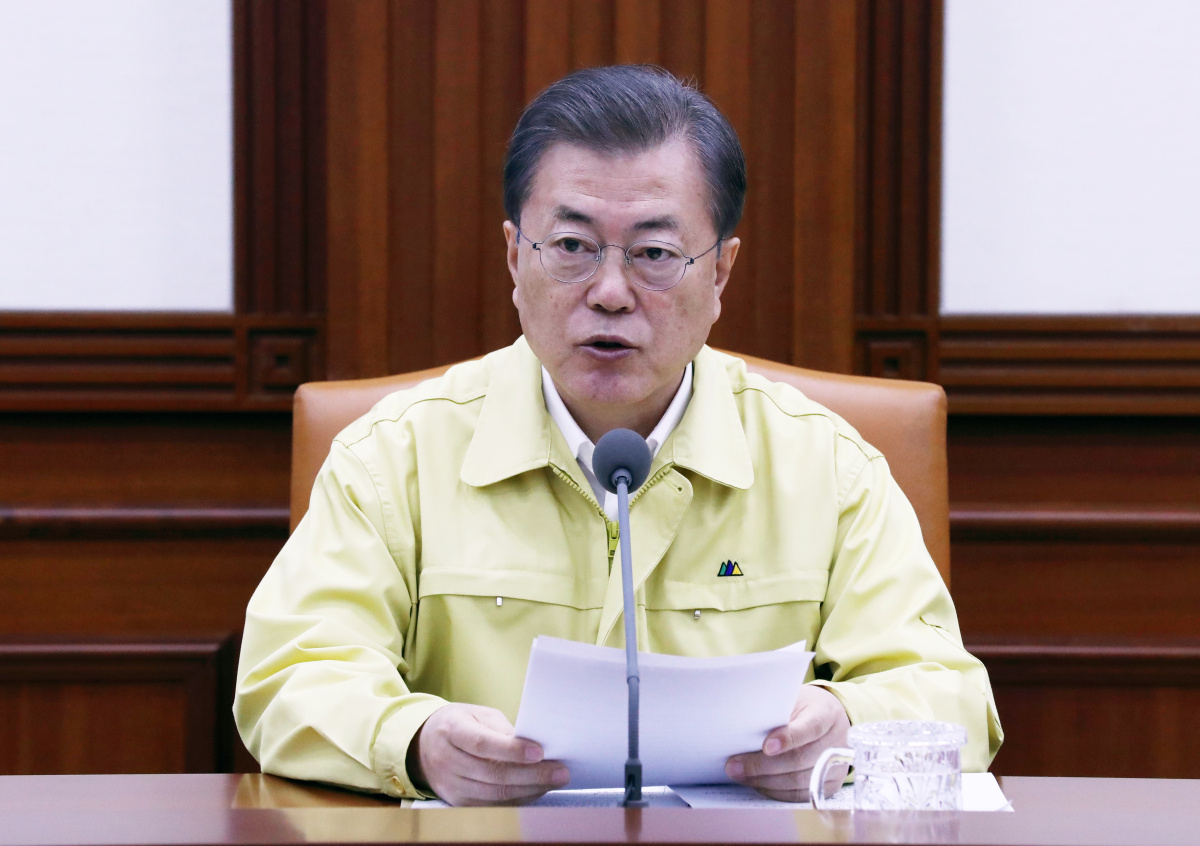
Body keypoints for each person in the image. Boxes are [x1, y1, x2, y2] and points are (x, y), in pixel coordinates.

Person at [234, 65, 1002, 806]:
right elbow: (289, 676)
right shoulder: (394, 459)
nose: (608, 293)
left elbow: (950, 693)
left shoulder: (825, 468)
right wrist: (415, 742)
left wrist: (843, 724)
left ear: (720, 273)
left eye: (654, 255)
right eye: (572, 247)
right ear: (515, 257)